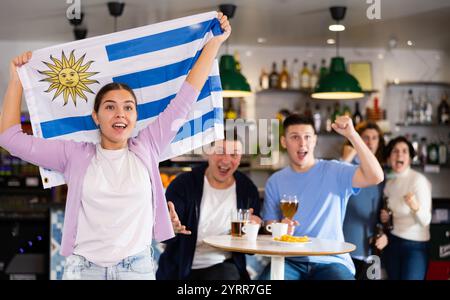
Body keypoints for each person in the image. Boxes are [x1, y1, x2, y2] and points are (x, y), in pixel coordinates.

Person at [0, 13, 231, 280]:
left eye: (128, 108)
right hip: (83, 270)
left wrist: (215, 42)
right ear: (96, 117)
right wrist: (16, 80)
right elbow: (10, 139)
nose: (120, 114)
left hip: (136, 268)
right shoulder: (73, 154)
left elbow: (187, 96)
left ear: (135, 118)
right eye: (110, 107)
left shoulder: (149, 144)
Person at [260, 114, 384, 280]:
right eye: (295, 137)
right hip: (289, 260)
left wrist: (352, 135)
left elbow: (376, 176)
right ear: (284, 142)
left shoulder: (335, 170)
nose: (302, 143)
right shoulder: (275, 181)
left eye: (307, 137)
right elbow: (269, 226)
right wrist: (280, 228)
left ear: (315, 140)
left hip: (331, 260)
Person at [156, 132, 262, 280]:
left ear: (240, 159)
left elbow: (251, 249)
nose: (226, 160)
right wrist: (169, 228)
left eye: (234, 154)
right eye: (220, 152)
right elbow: (164, 236)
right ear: (208, 153)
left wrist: (254, 229)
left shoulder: (247, 190)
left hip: (222, 267)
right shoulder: (183, 184)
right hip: (179, 269)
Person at [342, 122, 388, 280]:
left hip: (371, 250)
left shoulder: (382, 174)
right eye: (365, 138)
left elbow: (382, 210)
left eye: (374, 138)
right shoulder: (346, 167)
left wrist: (384, 233)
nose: (370, 142)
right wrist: (345, 159)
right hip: (345, 249)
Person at [381, 136, 431, 280]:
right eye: (395, 151)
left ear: (409, 158)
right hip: (393, 243)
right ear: (389, 157)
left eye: (404, 151)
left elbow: (425, 221)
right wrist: (386, 217)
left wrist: (415, 206)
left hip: (415, 247)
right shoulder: (389, 184)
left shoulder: (419, 181)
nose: (399, 155)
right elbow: (391, 216)